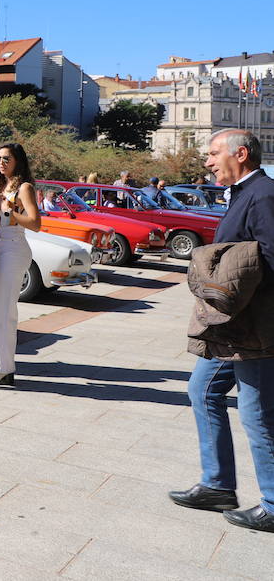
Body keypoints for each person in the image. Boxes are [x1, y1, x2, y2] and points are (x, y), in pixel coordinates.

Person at [169, 130, 274, 532]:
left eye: (214, 154)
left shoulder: (263, 194)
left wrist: (230, 290)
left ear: (241, 154)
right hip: (232, 329)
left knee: (257, 414)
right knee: (202, 389)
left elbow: (270, 260)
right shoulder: (243, 193)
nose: (208, 161)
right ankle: (217, 486)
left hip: (255, 331)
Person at [0, 142, 41, 386]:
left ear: (18, 161)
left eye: (6, 159)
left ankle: (4, 369)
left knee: (4, 309)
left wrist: (9, 212)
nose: (1, 163)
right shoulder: (3, 186)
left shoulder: (24, 187)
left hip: (15, 249)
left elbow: (36, 223)